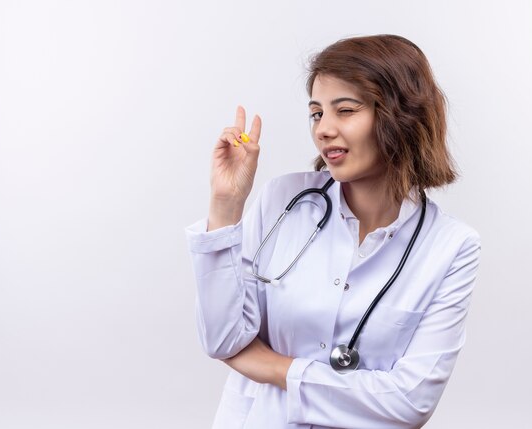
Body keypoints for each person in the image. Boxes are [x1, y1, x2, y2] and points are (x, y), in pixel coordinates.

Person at [186, 34, 481, 429]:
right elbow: (223, 340)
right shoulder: (282, 201)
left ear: (400, 115)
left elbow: (409, 405)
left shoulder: (451, 247)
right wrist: (225, 205)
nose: (323, 129)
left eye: (344, 110)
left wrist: (274, 367)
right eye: (316, 113)